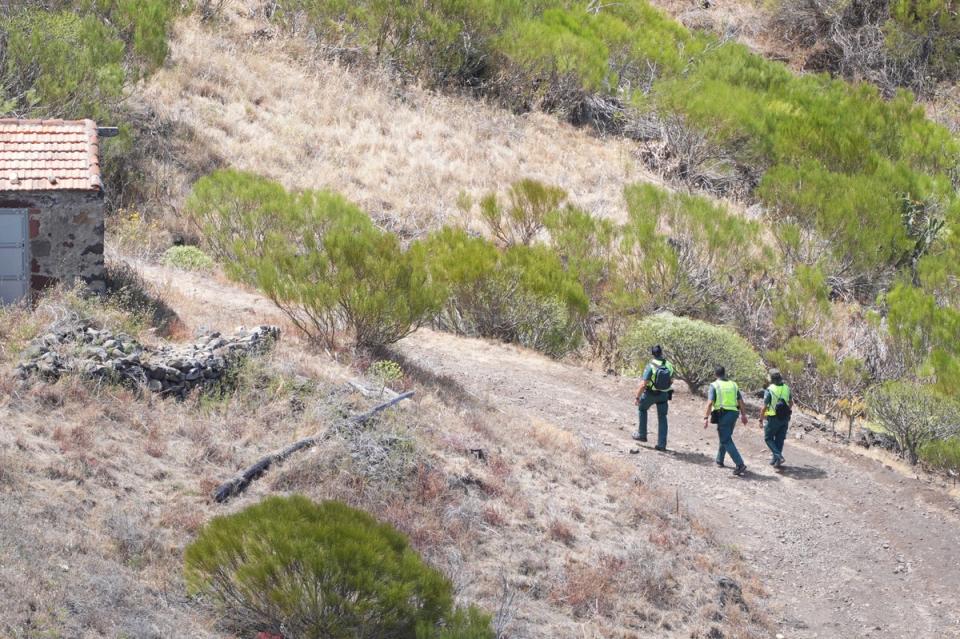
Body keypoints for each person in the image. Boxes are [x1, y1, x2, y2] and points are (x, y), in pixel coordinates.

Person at [703, 365, 748, 476]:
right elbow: (741, 401)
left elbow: (709, 403)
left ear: (715, 374)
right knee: (725, 436)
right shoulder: (733, 384)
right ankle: (720, 459)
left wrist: (705, 417)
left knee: (726, 439)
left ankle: (740, 464)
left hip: (723, 414)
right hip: (734, 413)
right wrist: (743, 415)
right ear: (724, 373)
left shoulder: (714, 385)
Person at [632, 345, 675, 451]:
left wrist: (637, 397)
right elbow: (672, 380)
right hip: (664, 395)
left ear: (652, 354)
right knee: (662, 417)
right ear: (661, 352)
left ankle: (642, 434)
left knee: (642, 409)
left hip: (651, 394)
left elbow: (643, 384)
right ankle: (662, 444)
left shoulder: (651, 365)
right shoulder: (669, 365)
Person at [759, 368, 792, 468]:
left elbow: (764, 407)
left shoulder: (770, 389)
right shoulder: (787, 388)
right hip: (785, 418)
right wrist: (786, 411)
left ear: (771, 379)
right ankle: (776, 460)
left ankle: (778, 456)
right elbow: (791, 403)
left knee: (768, 438)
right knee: (780, 439)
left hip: (773, 418)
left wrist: (760, 420)